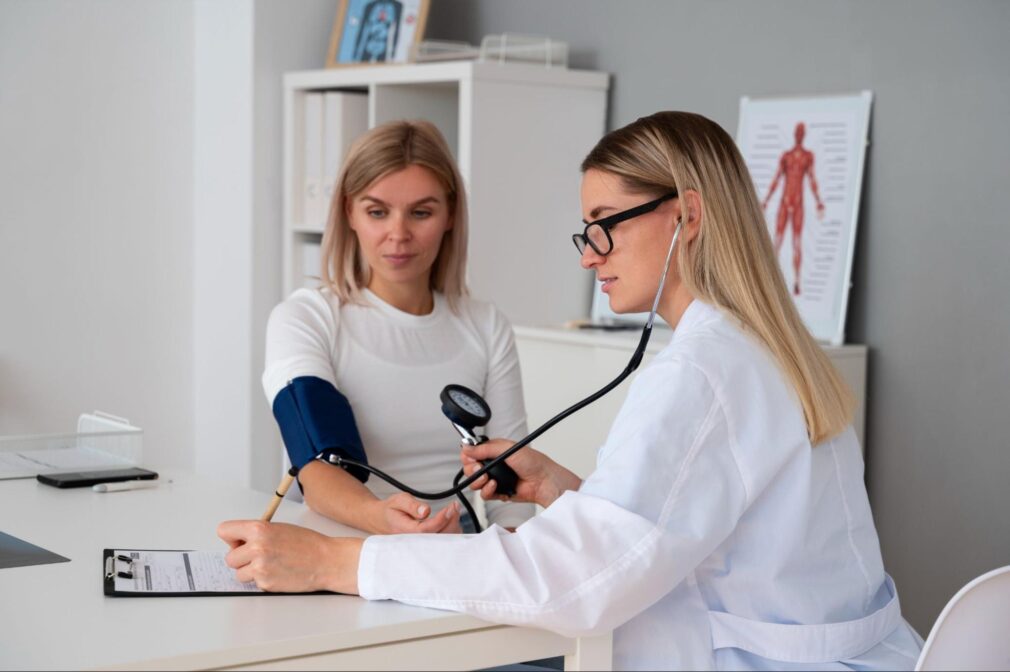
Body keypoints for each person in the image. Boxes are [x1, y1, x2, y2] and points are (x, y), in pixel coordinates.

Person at [219, 112, 923, 670]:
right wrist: (564, 492)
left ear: (688, 216)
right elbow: (678, 531)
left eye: (605, 227)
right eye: (584, 233)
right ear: (348, 214)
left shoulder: (697, 372)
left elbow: (573, 578)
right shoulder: (768, 349)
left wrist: (335, 560)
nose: (590, 255)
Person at [261, 120, 533, 536]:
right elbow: (316, 464)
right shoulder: (306, 319)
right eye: (377, 212)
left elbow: (512, 490)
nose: (398, 234)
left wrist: (502, 556)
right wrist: (386, 523)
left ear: (450, 215)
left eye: (421, 212)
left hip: (450, 543)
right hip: (335, 542)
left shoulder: (485, 325)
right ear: (349, 211)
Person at [761, 121, 825, 296]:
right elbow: (777, 178)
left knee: (796, 242)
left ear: (803, 134)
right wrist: (766, 200)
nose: (799, 134)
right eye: (797, 131)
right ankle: (768, 279)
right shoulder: (786, 156)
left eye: (801, 131)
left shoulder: (807, 156)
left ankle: (797, 281)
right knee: (777, 241)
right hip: (784, 201)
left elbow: (812, 179)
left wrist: (819, 200)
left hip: (798, 203)